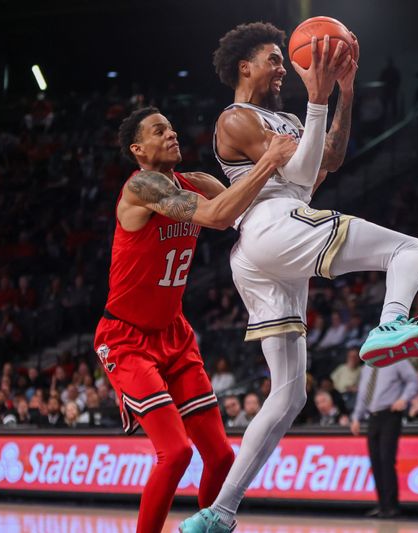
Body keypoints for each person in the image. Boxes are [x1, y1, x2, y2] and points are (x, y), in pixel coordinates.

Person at [181, 23, 418, 532]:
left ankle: (217, 515)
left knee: (288, 396)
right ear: (244, 66)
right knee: (410, 248)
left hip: (261, 252)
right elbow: (303, 179)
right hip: (272, 223)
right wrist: (316, 100)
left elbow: (327, 159)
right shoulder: (235, 118)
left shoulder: (285, 116)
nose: (283, 64)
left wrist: (343, 96)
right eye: (273, 57)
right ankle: (391, 323)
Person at [93, 103, 296, 533]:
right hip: (126, 337)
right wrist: (269, 159)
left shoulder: (197, 181)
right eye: (158, 130)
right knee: (176, 451)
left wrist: (303, 154)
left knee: (222, 456)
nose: (172, 134)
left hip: (175, 334)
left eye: (171, 126)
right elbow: (216, 216)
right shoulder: (142, 187)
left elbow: (245, 203)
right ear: (138, 149)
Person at [350, 360, 418, 519]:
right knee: (376, 461)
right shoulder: (368, 365)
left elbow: (413, 380)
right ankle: (382, 505)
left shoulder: (398, 360)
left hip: (390, 414)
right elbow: (363, 393)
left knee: (386, 460)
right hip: (372, 417)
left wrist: (404, 398)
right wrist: (356, 417)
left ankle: (392, 506)